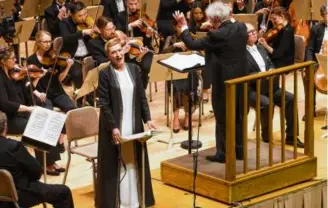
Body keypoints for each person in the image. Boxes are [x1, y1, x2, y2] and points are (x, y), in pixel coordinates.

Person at [173, 1, 248, 163]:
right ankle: (240, 151)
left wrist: (184, 27)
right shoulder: (242, 28)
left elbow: (193, 43)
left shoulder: (216, 35)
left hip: (224, 82)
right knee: (239, 116)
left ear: (214, 20)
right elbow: (228, 38)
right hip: (242, 80)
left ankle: (223, 154)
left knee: (222, 116)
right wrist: (215, 28)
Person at [96, 38, 155, 208]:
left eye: (119, 50)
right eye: (113, 52)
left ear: (124, 50)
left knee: (134, 159)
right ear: (109, 55)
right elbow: (104, 104)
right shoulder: (105, 74)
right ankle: (120, 202)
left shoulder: (134, 69)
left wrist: (148, 119)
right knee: (118, 162)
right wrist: (113, 126)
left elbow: (142, 97)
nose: (117, 54)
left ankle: (135, 200)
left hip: (134, 123)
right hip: (116, 126)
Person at [245, 23, 304, 148]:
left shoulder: (260, 47)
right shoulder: (241, 54)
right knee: (267, 104)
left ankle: (291, 137)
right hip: (252, 89)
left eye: (254, 30)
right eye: (250, 32)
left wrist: (271, 70)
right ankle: (266, 138)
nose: (254, 33)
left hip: (269, 85)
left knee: (290, 99)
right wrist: (261, 75)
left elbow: (270, 63)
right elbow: (245, 73)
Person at [0, 111, 74, 208]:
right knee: (64, 192)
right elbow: (36, 171)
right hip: (17, 196)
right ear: (5, 127)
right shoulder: (14, 146)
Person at [27, 30, 76, 175]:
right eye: (45, 41)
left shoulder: (55, 57)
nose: (48, 44)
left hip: (57, 92)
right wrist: (38, 91)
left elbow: (60, 79)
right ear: (37, 42)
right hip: (43, 94)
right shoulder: (31, 60)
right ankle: (50, 163)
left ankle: (60, 136)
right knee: (49, 116)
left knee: (72, 110)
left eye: (50, 41)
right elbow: (29, 84)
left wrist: (67, 67)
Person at [88, 16, 153, 89]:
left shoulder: (118, 38)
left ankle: (139, 93)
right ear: (100, 30)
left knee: (141, 68)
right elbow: (103, 63)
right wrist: (121, 52)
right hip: (111, 73)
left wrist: (140, 56)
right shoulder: (93, 43)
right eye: (109, 29)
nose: (113, 31)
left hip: (125, 68)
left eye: (113, 28)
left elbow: (128, 61)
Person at [59, 1, 98, 105]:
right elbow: (67, 38)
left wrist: (96, 31)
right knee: (77, 74)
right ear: (72, 15)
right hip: (72, 57)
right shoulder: (64, 23)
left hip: (87, 54)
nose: (84, 17)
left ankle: (91, 96)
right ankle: (80, 98)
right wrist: (82, 32)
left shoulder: (87, 22)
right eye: (80, 15)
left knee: (97, 69)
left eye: (85, 13)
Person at [162, 23, 197, 133]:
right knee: (175, 86)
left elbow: (199, 52)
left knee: (190, 86)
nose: (180, 27)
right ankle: (176, 117)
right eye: (178, 26)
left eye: (182, 25)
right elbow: (163, 52)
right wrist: (174, 45)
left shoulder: (191, 37)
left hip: (189, 69)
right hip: (175, 69)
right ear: (174, 27)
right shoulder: (170, 38)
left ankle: (187, 115)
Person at [0, 46, 34, 135]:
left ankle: (55, 148)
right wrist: (28, 108)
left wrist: (26, 81)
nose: (15, 60)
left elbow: (22, 95)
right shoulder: (1, 77)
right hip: (8, 119)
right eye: (13, 58)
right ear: (3, 61)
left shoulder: (12, 73)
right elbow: (4, 103)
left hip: (20, 113)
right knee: (34, 127)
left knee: (43, 121)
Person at [304, 4, 328, 121]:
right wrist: (309, 63)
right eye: (326, 14)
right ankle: (310, 109)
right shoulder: (316, 29)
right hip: (318, 61)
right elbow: (310, 48)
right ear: (323, 16)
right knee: (308, 76)